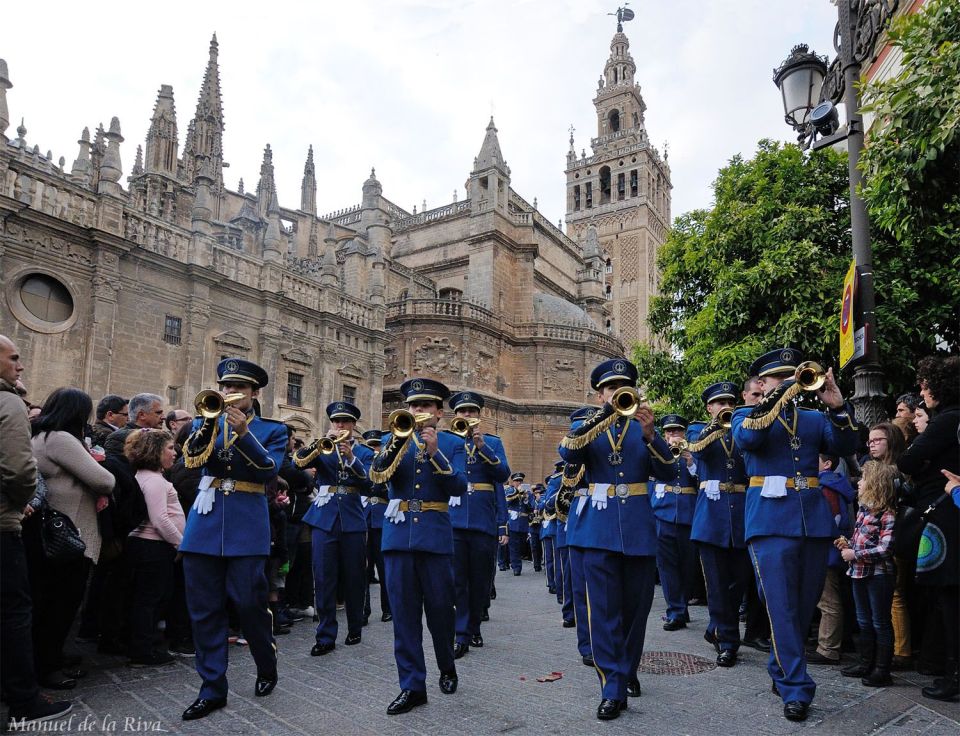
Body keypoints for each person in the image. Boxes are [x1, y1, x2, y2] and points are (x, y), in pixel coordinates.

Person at [731, 347, 859, 722]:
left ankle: (780, 665)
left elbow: (847, 446)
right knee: (780, 605)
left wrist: (837, 406)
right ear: (761, 383)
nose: (788, 382)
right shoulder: (746, 414)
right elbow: (749, 441)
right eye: (778, 378)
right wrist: (775, 398)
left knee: (802, 608)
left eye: (792, 376)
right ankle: (796, 686)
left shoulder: (813, 418)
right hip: (769, 522)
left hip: (812, 522)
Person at [558, 358, 675, 720]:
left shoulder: (645, 427)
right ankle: (612, 686)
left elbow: (671, 472)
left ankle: (627, 670)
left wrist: (653, 435)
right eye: (610, 389)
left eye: (624, 388)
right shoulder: (585, 425)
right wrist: (602, 416)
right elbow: (569, 452)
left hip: (638, 529)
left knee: (635, 612)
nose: (618, 394)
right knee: (603, 613)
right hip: (597, 531)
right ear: (600, 395)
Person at [178, 358, 287, 720]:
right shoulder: (202, 421)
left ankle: (265, 660)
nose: (228, 393)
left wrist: (244, 434)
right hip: (205, 523)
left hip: (246, 522)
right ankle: (212, 688)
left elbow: (270, 469)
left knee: (248, 601)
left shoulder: (272, 430)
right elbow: (191, 461)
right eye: (225, 387)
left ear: (255, 393)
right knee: (204, 609)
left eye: (238, 388)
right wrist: (210, 425)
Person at [369, 378, 466, 715]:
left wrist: (435, 452)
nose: (418, 412)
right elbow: (376, 479)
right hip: (397, 539)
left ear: (439, 412)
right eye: (413, 406)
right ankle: (412, 686)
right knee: (405, 617)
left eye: (425, 406)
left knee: (440, 611)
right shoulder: (390, 438)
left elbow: (459, 487)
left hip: (435, 539)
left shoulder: (453, 443)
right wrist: (396, 444)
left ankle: (447, 665)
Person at [0, 335, 72, 728]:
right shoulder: (7, 401)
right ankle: (24, 700)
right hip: (3, 522)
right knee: (13, 612)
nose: (20, 365)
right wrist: (21, 499)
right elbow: (19, 469)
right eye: (13, 358)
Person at [27, 388, 115, 689]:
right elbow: (104, 480)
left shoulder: (40, 436)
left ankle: (49, 659)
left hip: (52, 534)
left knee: (51, 604)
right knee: (61, 605)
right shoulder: (61, 438)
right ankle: (47, 667)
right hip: (68, 535)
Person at [897, 356, 959, 702]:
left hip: (945, 517)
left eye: (926, 383)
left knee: (946, 596)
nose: (923, 390)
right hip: (951, 510)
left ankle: (952, 674)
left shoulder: (947, 420)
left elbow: (907, 460)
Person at [294, 401, 373, 654]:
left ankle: (355, 627)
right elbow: (297, 463)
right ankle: (325, 635)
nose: (340, 426)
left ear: (353, 425)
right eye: (336, 422)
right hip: (324, 518)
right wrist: (319, 443)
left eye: (345, 422)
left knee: (354, 576)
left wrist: (351, 457)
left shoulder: (365, 453)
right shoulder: (323, 448)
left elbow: (371, 484)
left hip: (352, 518)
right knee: (324, 577)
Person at [687, 381, 752, 668]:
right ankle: (728, 642)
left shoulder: (741, 429)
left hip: (740, 516)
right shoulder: (698, 431)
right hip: (711, 519)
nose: (725, 407)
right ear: (709, 407)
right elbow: (697, 453)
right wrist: (715, 426)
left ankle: (717, 627)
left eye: (729, 402)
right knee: (716, 584)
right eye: (718, 403)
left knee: (738, 582)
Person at [446, 391, 509, 659]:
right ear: (455, 415)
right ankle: (462, 634)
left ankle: (474, 627)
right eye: (462, 412)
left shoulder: (492, 442)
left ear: (479, 416)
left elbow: (502, 477)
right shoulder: (447, 442)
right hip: (455, 518)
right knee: (458, 580)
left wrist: (483, 447)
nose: (467, 417)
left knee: (480, 580)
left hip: (483, 519)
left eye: (472, 412)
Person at [124, 429, 185, 666]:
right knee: (150, 600)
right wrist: (180, 543)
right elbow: (160, 519)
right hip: (153, 547)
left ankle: (144, 646)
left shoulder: (146, 477)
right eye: (170, 448)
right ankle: (143, 650)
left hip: (150, 547)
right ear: (155, 451)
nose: (174, 453)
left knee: (148, 599)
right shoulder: (155, 481)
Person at [838, 461, 898, 686]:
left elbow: (885, 548)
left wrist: (856, 554)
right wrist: (847, 545)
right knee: (863, 619)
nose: (859, 482)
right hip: (858, 572)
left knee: (880, 621)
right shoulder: (864, 510)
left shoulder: (887, 513)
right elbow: (859, 539)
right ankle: (866, 663)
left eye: (863, 479)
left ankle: (882, 669)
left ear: (874, 483)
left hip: (878, 574)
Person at [806, 454, 855, 666]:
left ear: (827, 464)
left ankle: (828, 648)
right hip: (829, 549)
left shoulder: (826, 486)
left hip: (825, 550)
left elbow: (831, 520)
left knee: (828, 601)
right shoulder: (831, 484)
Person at [651, 414, 698, 632]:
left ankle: (682, 605)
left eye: (677, 431)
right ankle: (675, 611)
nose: (673, 436)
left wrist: (690, 461)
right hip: (663, 513)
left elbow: (702, 480)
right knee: (667, 566)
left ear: (684, 432)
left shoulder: (694, 451)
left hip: (688, 513)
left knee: (687, 566)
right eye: (669, 432)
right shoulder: (658, 452)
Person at [563, 406, 598, 668]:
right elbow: (569, 484)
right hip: (582, 519)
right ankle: (587, 644)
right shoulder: (574, 456)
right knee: (582, 589)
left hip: (605, 520)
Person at [361, 429, 392, 624]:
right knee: (363, 569)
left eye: (376, 446)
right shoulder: (361, 465)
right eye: (370, 447)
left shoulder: (387, 466)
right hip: (363, 519)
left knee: (384, 569)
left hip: (382, 520)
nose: (374, 450)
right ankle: (363, 610)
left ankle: (387, 609)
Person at [505, 473, 532, 575]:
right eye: (517, 481)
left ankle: (514, 562)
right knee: (513, 545)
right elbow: (507, 501)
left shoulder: (528, 494)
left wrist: (525, 500)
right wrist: (517, 493)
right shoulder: (510, 491)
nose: (519, 483)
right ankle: (516, 567)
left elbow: (531, 508)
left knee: (521, 545)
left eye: (520, 481)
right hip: (513, 522)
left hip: (523, 523)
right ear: (513, 482)